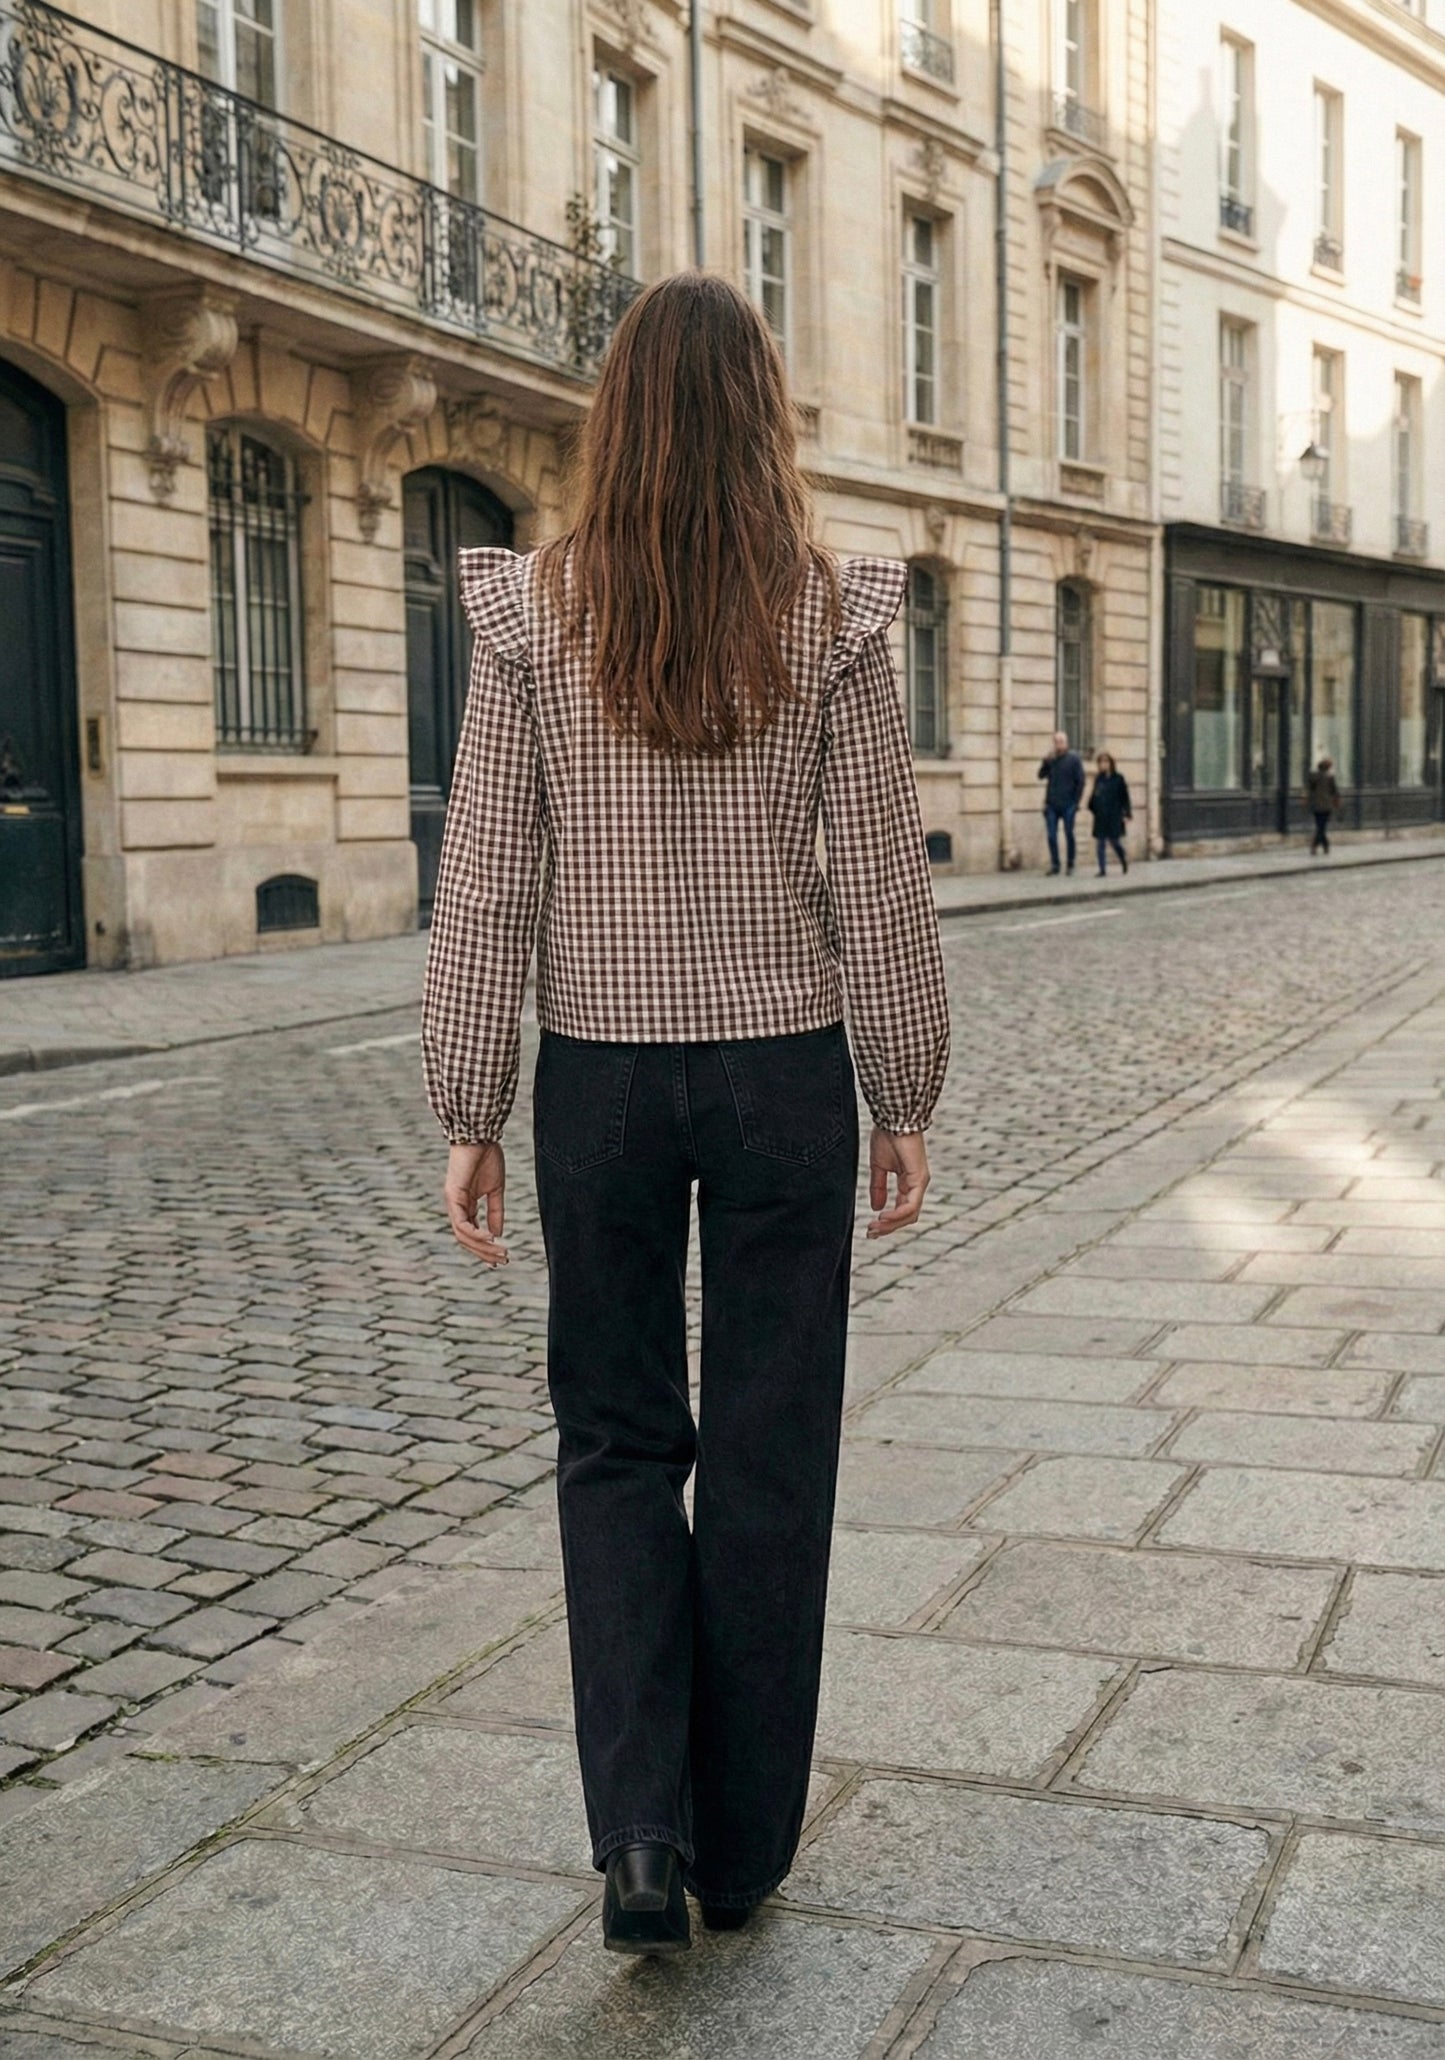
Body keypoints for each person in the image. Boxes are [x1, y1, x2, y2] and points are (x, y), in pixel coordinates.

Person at [421, 273, 950, 1956]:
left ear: (619, 416)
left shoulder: (534, 612)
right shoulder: (830, 614)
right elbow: (879, 871)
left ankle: (639, 1835)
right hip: (784, 1067)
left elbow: (487, 872)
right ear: (762, 417)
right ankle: (741, 1848)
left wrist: (469, 1102)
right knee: (774, 1450)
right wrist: (904, 1086)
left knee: (615, 1440)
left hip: (599, 1076)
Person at [1038, 730, 1086, 874]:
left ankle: (1070, 863)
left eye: (1061, 741)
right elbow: (1040, 776)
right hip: (1052, 804)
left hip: (1069, 804)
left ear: (1066, 743)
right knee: (1051, 835)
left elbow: (1081, 781)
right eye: (1056, 742)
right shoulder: (1051, 760)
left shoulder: (1074, 759)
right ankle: (1055, 864)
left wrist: (1076, 801)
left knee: (1069, 833)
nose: (1058, 744)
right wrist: (1044, 762)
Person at [1087, 751, 1132, 875]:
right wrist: (1092, 806)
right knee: (1100, 843)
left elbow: (1125, 797)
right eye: (1101, 762)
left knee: (1114, 841)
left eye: (1105, 762)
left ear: (1111, 763)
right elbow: (1094, 795)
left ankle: (1123, 858)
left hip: (1114, 815)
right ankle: (1102, 870)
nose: (1103, 764)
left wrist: (1127, 814)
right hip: (1101, 815)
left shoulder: (1118, 778)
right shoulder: (1099, 779)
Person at [1307, 755, 1340, 855]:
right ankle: (1319, 845)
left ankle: (1322, 846)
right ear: (1328, 767)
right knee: (1322, 827)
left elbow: (1310, 789)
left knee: (1320, 826)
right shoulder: (1330, 777)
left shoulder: (1313, 776)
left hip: (1316, 805)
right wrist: (1336, 801)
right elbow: (1334, 791)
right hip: (1326, 806)